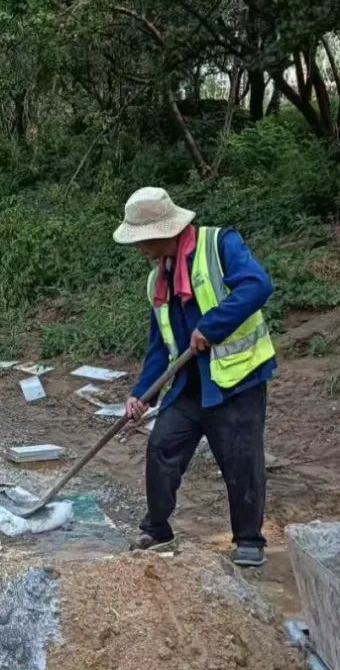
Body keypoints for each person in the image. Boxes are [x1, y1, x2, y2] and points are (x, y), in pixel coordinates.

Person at [114, 187, 277, 567]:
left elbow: (257, 285)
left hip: (235, 381)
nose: (139, 248)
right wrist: (142, 394)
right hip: (188, 387)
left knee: (241, 461)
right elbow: (160, 345)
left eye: (142, 239)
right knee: (161, 448)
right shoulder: (158, 279)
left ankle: (249, 540)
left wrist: (212, 326)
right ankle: (157, 529)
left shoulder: (220, 245)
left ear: (164, 232)